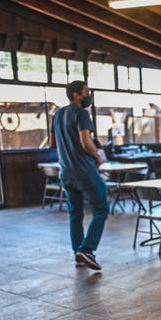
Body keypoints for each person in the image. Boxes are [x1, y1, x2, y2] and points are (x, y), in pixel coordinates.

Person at [50, 80, 108, 271]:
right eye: (86, 92)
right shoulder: (81, 114)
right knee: (101, 209)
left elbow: (52, 143)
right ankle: (88, 249)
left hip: (65, 172)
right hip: (84, 171)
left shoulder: (57, 115)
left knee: (75, 213)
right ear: (76, 94)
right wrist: (97, 156)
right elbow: (86, 142)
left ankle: (78, 252)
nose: (88, 96)